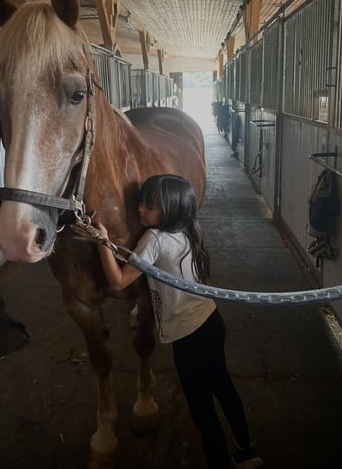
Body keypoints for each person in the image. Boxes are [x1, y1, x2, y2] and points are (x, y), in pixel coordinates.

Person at [74, 174, 263, 469]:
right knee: (224, 388)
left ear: (171, 210)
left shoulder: (154, 239)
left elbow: (119, 281)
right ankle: (247, 450)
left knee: (201, 409)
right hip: (212, 323)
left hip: (189, 337)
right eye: (141, 203)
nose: (140, 210)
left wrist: (103, 241)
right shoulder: (190, 229)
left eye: (150, 206)